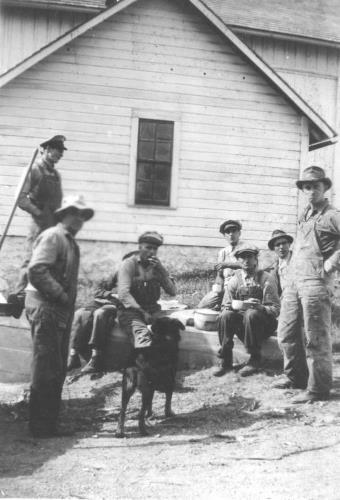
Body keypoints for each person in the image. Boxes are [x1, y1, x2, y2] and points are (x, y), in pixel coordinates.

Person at [25, 194, 94, 438]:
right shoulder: (54, 236)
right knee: (46, 367)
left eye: (83, 216)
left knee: (56, 367)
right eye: (75, 213)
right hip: (46, 307)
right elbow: (37, 270)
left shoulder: (69, 241)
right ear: (64, 214)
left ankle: (49, 424)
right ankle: (41, 426)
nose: (79, 219)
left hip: (58, 310)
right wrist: (61, 296)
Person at [274, 166, 340, 403]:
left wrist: (333, 261)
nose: (311, 191)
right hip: (295, 280)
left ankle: (318, 389)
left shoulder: (332, 215)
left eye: (316, 187)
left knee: (316, 337)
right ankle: (295, 377)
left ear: (325, 189)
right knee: (286, 332)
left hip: (316, 282)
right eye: (307, 187)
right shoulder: (305, 214)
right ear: (303, 190)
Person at [9, 135, 66, 316]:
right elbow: (21, 198)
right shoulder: (34, 170)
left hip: (53, 222)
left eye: (60, 154)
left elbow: (58, 201)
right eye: (57, 152)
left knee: (47, 261)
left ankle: (36, 298)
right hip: (39, 221)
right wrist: (38, 212)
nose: (59, 156)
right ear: (46, 150)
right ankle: (18, 298)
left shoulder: (55, 175)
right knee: (30, 259)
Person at [67, 251, 138, 373]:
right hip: (105, 301)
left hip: (120, 306)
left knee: (100, 314)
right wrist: (110, 294)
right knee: (80, 313)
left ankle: (96, 357)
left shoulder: (141, 279)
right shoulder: (117, 274)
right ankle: (73, 355)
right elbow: (98, 290)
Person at [214, 245, 280, 377]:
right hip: (244, 326)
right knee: (225, 316)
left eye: (249, 257)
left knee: (251, 313)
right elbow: (225, 306)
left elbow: (276, 309)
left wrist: (260, 307)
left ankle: (255, 359)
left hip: (263, 325)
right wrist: (233, 306)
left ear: (256, 259)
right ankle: (225, 360)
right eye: (242, 257)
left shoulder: (266, 279)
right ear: (238, 261)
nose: (246, 260)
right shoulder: (235, 280)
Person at [117, 231, 176, 354]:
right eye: (148, 248)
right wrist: (142, 312)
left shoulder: (156, 266)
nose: (152, 252)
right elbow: (123, 294)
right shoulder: (129, 264)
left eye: (155, 249)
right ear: (139, 248)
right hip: (131, 311)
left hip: (153, 310)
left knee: (171, 330)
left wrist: (162, 270)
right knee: (142, 337)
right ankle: (141, 367)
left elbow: (172, 292)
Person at [198, 220, 244, 310]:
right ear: (224, 236)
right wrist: (218, 285)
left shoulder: (247, 248)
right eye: (228, 232)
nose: (231, 234)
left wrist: (227, 264)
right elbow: (220, 275)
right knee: (202, 306)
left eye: (234, 231)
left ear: (239, 233)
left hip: (241, 288)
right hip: (225, 289)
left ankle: (223, 307)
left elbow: (247, 266)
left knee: (228, 311)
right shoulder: (222, 252)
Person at [267, 229, 293, 296]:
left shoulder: (298, 260)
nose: (281, 247)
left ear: (289, 244)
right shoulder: (273, 267)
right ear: (273, 248)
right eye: (278, 245)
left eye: (284, 243)